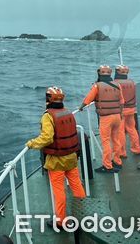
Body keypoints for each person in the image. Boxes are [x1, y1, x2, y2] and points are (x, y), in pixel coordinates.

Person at [26, 86, 86, 229]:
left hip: (57, 159)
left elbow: (47, 138)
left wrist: (31, 144)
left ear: (48, 99)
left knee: (59, 191)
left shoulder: (48, 116)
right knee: (76, 184)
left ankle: (61, 221)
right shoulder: (68, 112)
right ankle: (83, 213)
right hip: (71, 156)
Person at [79, 65, 124, 173]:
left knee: (106, 141)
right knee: (116, 140)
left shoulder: (97, 86)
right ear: (110, 73)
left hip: (106, 118)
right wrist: (120, 114)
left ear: (99, 73)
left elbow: (88, 99)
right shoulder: (117, 85)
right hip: (117, 116)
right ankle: (117, 161)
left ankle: (107, 165)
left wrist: (81, 107)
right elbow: (122, 102)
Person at [114, 65, 140, 156]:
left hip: (120, 111)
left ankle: (122, 152)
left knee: (120, 131)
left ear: (117, 71)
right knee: (132, 129)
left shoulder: (115, 83)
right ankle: (137, 148)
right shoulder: (132, 82)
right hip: (131, 109)